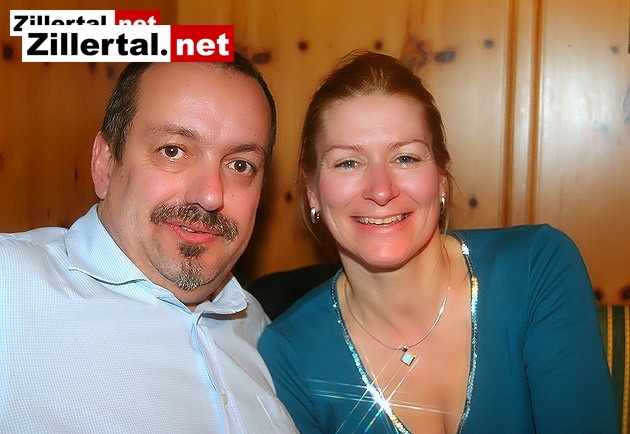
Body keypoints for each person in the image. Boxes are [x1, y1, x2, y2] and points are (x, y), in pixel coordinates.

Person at [257, 50, 618, 433]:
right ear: (313, 192)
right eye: (348, 162)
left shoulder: (537, 269)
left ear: (441, 179)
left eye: (406, 158)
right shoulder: (288, 355)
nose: (381, 190)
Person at [0, 55, 297, 433]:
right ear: (106, 163)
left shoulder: (256, 326)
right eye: (173, 150)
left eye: (240, 165)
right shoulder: (10, 285)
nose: (210, 195)